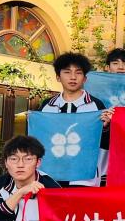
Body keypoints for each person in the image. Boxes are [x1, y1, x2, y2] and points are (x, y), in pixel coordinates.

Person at [41, 53, 107, 187]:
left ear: (85, 79)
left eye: (78, 73)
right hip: (52, 173)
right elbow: (39, 139)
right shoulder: (47, 106)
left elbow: (105, 144)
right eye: (67, 72)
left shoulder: (96, 106)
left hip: (84, 177)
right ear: (58, 77)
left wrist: (106, 127)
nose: (73, 77)